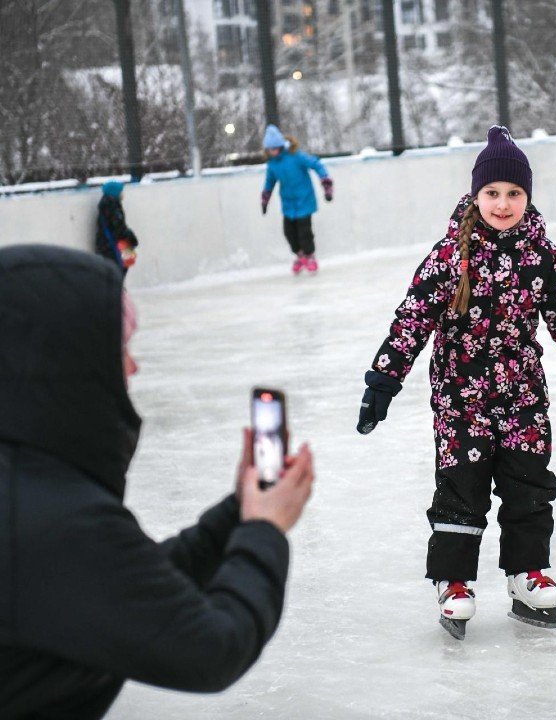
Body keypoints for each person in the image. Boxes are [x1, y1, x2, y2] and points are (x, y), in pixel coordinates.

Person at [0, 245, 315, 719]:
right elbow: (212, 648)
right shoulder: (51, 521)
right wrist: (264, 531)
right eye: (120, 349)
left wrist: (238, 513)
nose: (133, 367)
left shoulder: (29, 489)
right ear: (67, 362)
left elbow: (121, 590)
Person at [355, 126, 556, 640]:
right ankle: (454, 581)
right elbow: (412, 320)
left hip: (522, 395)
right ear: (476, 195)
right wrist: (383, 383)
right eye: (493, 193)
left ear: (527, 197)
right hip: (460, 398)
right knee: (462, 489)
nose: (503, 204)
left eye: (514, 194)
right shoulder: (449, 257)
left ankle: (526, 575)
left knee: (528, 485)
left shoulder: (542, 256)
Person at [260, 124, 334, 275]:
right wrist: (265, 198)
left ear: (280, 146)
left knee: (304, 232)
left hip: (304, 200)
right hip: (288, 204)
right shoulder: (272, 165)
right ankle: (300, 256)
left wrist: (325, 182)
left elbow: (316, 164)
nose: (273, 152)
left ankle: (310, 256)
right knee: (288, 232)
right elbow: (270, 182)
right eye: (270, 149)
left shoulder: (296, 156)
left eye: (275, 148)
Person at [95, 180, 138, 277]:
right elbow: (119, 228)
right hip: (114, 246)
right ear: (115, 193)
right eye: (121, 191)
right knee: (120, 268)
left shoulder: (108, 205)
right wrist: (132, 238)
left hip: (109, 245)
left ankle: (119, 288)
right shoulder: (113, 208)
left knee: (123, 265)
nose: (123, 194)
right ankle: (117, 289)